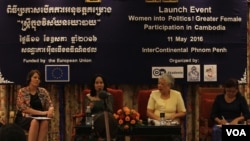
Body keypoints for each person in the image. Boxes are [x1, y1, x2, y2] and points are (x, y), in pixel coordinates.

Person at [14, 69, 54, 141]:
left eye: (38, 78)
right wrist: (43, 113)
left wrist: (50, 110)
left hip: (39, 117)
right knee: (34, 122)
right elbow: (24, 109)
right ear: (30, 79)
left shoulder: (43, 91)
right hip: (24, 117)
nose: (37, 80)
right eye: (35, 77)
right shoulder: (22, 91)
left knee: (45, 122)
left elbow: (50, 104)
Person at [77, 74, 116, 141]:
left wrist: (104, 101)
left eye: (101, 83)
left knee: (108, 119)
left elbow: (111, 111)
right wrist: (89, 108)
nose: (99, 85)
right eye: (97, 83)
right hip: (92, 119)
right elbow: (86, 113)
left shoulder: (109, 96)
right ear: (93, 85)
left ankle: (100, 137)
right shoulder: (88, 97)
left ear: (104, 84)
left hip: (107, 119)